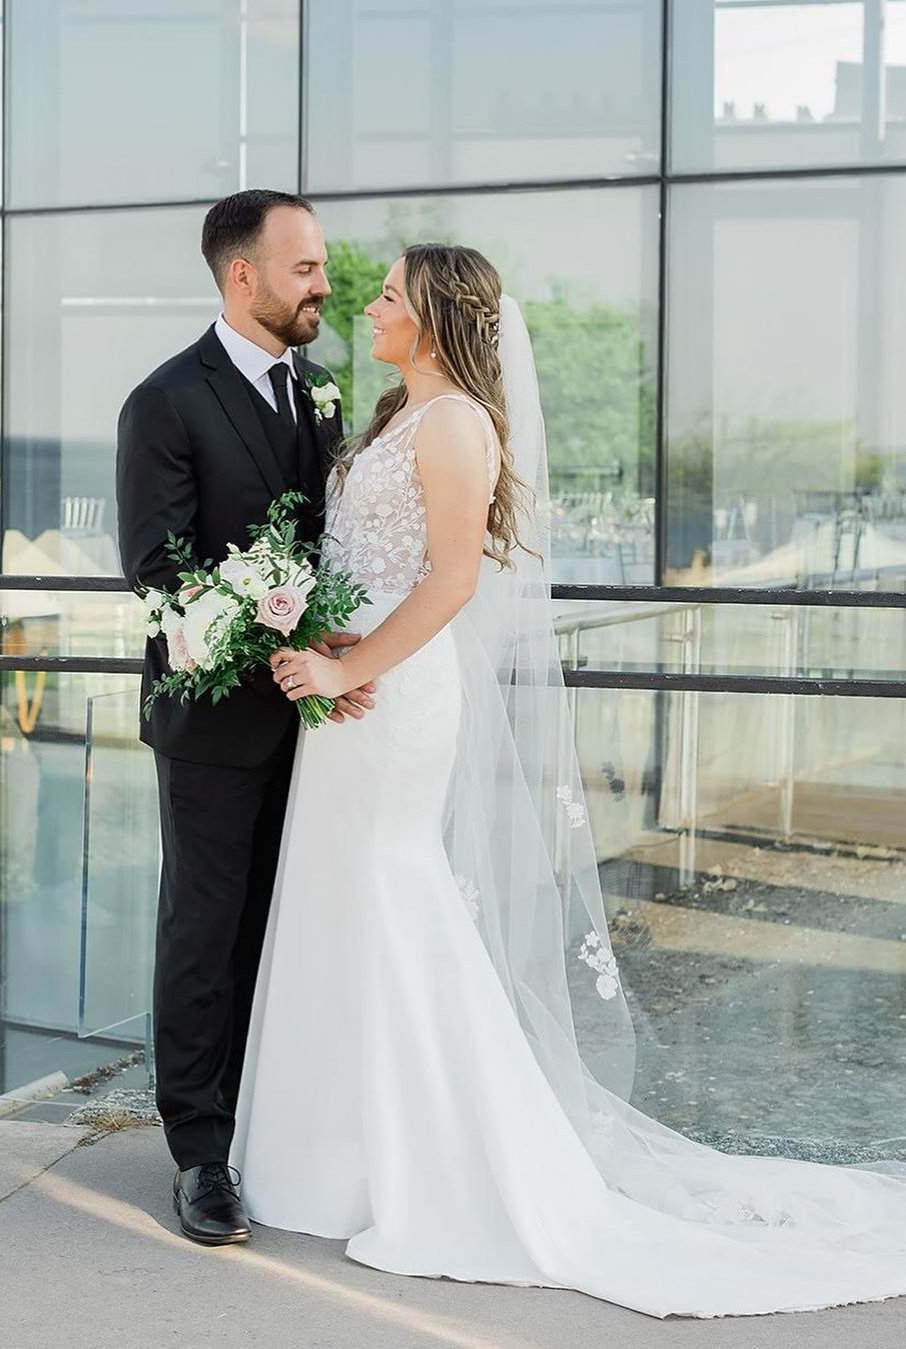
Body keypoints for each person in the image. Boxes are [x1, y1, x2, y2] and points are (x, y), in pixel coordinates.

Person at [230, 242, 906, 1318]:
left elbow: (453, 581)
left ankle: (439, 1163)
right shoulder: (393, 420)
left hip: (393, 702)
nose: (372, 305)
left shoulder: (454, 427)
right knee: (335, 905)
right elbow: (371, 565)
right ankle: (330, 1157)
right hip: (346, 694)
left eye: (393, 293)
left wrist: (347, 665)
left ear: (439, 317)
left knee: (390, 896)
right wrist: (308, 635)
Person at [116, 190, 374, 1248]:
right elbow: (158, 572)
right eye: (306, 268)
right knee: (205, 931)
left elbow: (332, 545)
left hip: (317, 719)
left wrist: (336, 635)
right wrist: (267, 627)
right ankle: (200, 1156)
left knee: (286, 925)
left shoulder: (317, 392)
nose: (325, 285)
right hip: (214, 723)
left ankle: (275, 1126)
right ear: (244, 278)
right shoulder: (165, 400)